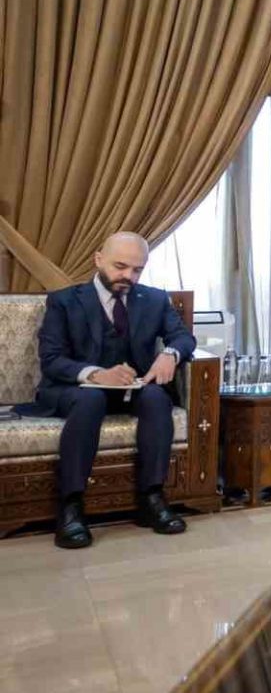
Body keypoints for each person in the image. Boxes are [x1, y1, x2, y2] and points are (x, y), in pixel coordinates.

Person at [25, 232, 196, 549]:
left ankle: (151, 498)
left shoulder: (155, 300)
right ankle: (71, 506)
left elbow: (184, 338)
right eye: (120, 267)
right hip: (76, 391)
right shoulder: (64, 301)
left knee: (157, 397)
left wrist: (170, 354)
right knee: (91, 399)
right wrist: (96, 374)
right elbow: (52, 360)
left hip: (132, 390)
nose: (128, 276)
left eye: (137, 269)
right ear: (98, 259)